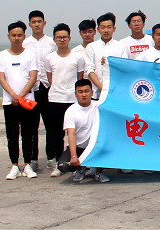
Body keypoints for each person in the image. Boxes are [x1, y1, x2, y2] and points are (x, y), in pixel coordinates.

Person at [0, 20, 39, 180]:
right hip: (9, 102)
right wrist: (13, 96)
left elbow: (33, 77)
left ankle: (27, 165)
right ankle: (14, 165)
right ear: (9, 36)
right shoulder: (2, 56)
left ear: (24, 36)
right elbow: (1, 78)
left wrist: (20, 96)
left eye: (19, 35)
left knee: (28, 134)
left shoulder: (30, 55)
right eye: (14, 35)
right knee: (12, 135)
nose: (17, 38)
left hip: (27, 101)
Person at [44, 23, 85, 177]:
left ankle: (78, 163)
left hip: (72, 100)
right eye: (59, 37)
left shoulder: (77, 57)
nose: (62, 40)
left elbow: (79, 78)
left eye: (65, 37)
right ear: (54, 39)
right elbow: (50, 79)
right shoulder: (49, 58)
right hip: (55, 99)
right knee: (56, 134)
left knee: (76, 133)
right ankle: (59, 163)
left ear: (69, 38)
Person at [23, 10, 56, 167]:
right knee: (31, 126)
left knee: (51, 125)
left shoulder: (51, 43)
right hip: (31, 89)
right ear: (29, 24)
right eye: (34, 22)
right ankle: (33, 159)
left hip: (47, 87)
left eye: (39, 21)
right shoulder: (25, 43)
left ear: (44, 23)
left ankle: (51, 157)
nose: (37, 24)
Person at [60, 79, 108, 183]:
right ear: (75, 94)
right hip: (79, 148)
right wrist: (73, 156)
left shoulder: (99, 106)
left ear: (92, 92)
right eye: (80, 92)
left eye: (86, 91)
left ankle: (98, 171)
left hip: (96, 147)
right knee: (63, 166)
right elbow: (71, 134)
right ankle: (80, 168)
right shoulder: (71, 111)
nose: (84, 95)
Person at [84, 13, 128, 100]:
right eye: (103, 27)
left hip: (115, 91)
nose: (106, 30)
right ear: (98, 29)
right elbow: (89, 70)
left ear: (114, 29)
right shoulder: (91, 47)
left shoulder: (121, 46)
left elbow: (124, 68)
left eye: (109, 27)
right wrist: (102, 88)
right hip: (95, 92)